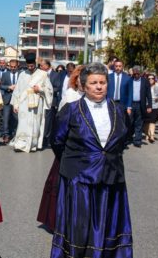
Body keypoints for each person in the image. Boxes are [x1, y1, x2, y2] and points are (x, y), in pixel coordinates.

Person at [50, 63, 133, 258]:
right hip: (80, 180)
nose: (99, 87)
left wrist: (107, 157)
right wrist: (79, 162)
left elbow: (125, 138)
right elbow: (57, 141)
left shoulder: (118, 109)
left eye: (102, 82)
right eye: (94, 83)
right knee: (81, 227)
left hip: (111, 176)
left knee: (109, 226)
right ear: (84, 85)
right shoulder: (71, 110)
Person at [37, 65, 83, 232]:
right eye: (81, 78)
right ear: (76, 80)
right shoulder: (71, 96)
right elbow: (61, 125)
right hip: (69, 150)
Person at [10, 53, 53, 152]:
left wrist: (40, 89)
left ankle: (33, 145)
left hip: (37, 104)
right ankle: (21, 145)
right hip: (24, 104)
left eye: (32, 66)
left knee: (35, 124)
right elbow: (17, 90)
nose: (30, 68)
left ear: (35, 64)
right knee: (22, 124)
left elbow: (49, 90)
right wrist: (15, 104)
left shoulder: (43, 74)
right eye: (28, 66)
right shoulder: (22, 74)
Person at [41, 59, 63, 148]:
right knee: (42, 120)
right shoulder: (41, 74)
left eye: (42, 65)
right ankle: (41, 138)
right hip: (41, 100)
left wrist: (46, 91)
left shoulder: (56, 75)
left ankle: (47, 140)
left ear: (47, 65)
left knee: (48, 121)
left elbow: (57, 87)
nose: (40, 67)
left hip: (51, 101)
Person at [0, 59, 20, 144]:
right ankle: (6, 135)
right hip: (7, 99)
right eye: (11, 67)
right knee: (6, 118)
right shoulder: (5, 74)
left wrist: (17, 87)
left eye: (15, 67)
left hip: (18, 100)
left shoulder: (21, 74)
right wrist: (9, 87)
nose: (13, 68)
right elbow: (1, 85)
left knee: (17, 118)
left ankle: (16, 134)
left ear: (17, 66)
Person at [145, 74, 158, 143]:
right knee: (147, 121)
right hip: (146, 105)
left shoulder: (157, 87)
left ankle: (152, 135)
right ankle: (147, 134)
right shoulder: (145, 86)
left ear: (154, 79)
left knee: (152, 121)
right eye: (149, 78)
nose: (150, 80)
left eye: (152, 78)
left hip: (155, 106)